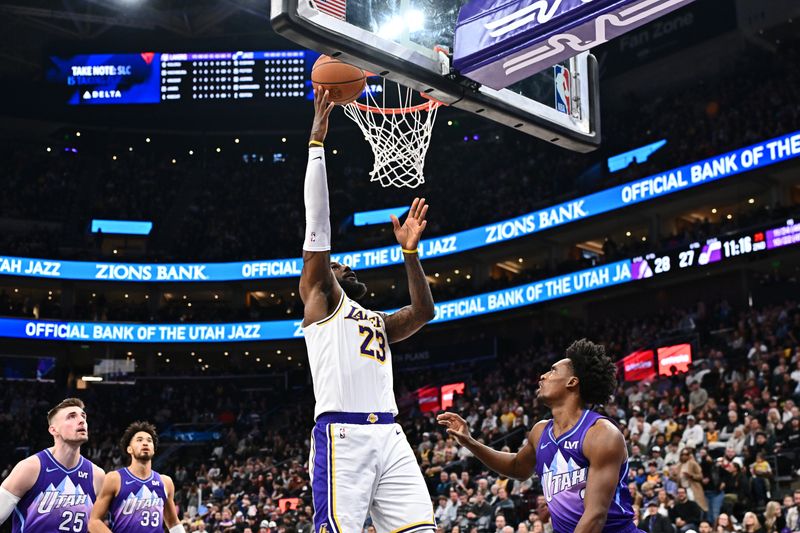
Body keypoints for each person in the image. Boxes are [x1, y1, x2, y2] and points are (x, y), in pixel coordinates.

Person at [300, 88, 436, 533]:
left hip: (391, 434)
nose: (343, 264)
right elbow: (318, 226)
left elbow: (423, 312)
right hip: (343, 436)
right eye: (337, 263)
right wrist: (317, 146)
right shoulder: (323, 298)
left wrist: (411, 255)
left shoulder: (375, 321)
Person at [438, 339, 638, 533]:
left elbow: (595, 515)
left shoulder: (600, 433)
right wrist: (469, 442)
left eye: (552, 371)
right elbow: (517, 467)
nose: (543, 376)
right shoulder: (540, 432)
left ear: (572, 382)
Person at [0, 398, 105, 532]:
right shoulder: (30, 468)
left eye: (83, 416)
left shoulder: (97, 475)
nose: (81, 420)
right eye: (71, 417)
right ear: (53, 430)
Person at [88, 421, 183, 533]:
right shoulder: (115, 479)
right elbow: (94, 521)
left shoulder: (165, 482)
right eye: (139, 440)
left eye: (149, 440)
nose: (145, 443)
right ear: (129, 449)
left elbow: (173, 522)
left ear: (153, 449)